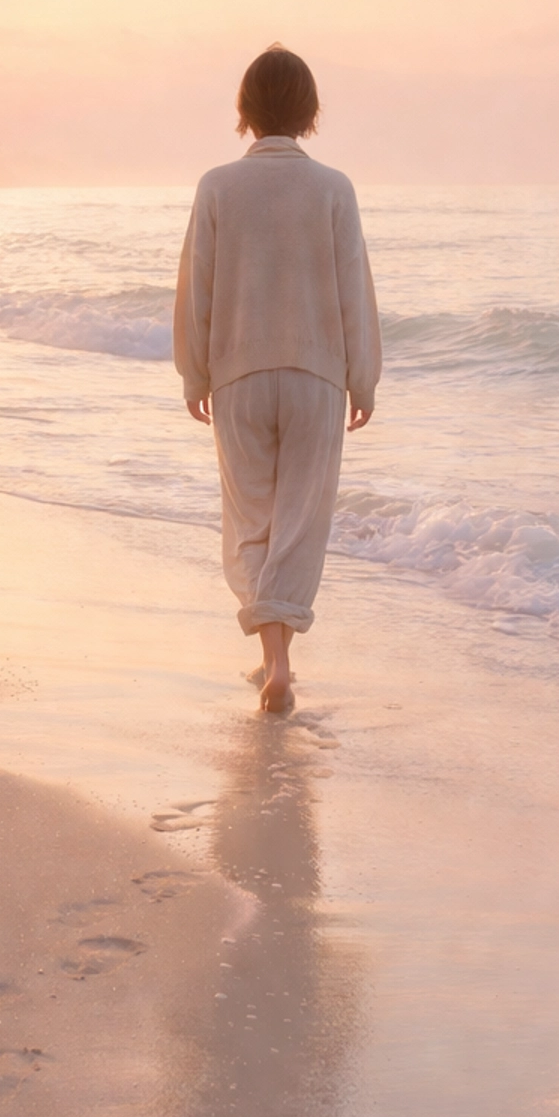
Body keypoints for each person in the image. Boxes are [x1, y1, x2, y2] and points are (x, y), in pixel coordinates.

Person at [173, 45, 382, 714]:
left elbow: (195, 288)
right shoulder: (333, 188)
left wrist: (193, 372)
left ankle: (274, 659)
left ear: (245, 111)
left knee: (251, 517)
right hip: (318, 376)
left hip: (239, 375)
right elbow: (355, 291)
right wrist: (364, 380)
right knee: (301, 520)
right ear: (309, 112)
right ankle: (278, 658)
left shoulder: (217, 187)